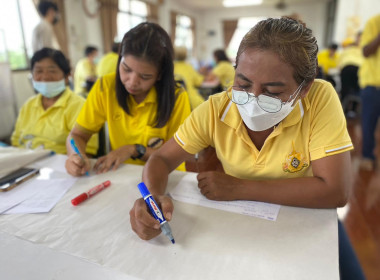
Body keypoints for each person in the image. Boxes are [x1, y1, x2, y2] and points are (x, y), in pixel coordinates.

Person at [129, 17, 364, 279]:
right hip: (243, 223)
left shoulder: (319, 99)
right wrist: (151, 198)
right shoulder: (216, 109)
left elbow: (335, 191)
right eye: (242, 84)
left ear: (304, 88)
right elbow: (161, 159)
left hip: (308, 218)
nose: (252, 99)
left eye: (272, 92)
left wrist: (240, 187)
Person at [65, 22, 191, 176]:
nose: (132, 82)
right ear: (120, 60)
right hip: (121, 175)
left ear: (160, 75)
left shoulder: (176, 96)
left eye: (145, 76)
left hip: (167, 176)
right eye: (126, 69)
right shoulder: (105, 86)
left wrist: (133, 150)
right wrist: (75, 156)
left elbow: (175, 155)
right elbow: (77, 135)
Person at [11, 48, 98, 155]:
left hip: (61, 166)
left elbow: (87, 151)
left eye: (52, 71)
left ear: (66, 77)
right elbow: (16, 141)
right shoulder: (28, 105)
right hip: (25, 164)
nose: (45, 77)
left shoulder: (79, 105)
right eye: (39, 71)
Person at [358, 14, 380, 171]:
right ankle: (367, 156)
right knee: (368, 125)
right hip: (373, 85)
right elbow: (366, 51)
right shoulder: (374, 22)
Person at [338, 33, 364, 117]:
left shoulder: (347, 50)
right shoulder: (362, 49)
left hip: (346, 68)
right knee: (357, 90)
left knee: (344, 90)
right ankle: (353, 110)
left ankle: (341, 111)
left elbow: (339, 63)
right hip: (359, 69)